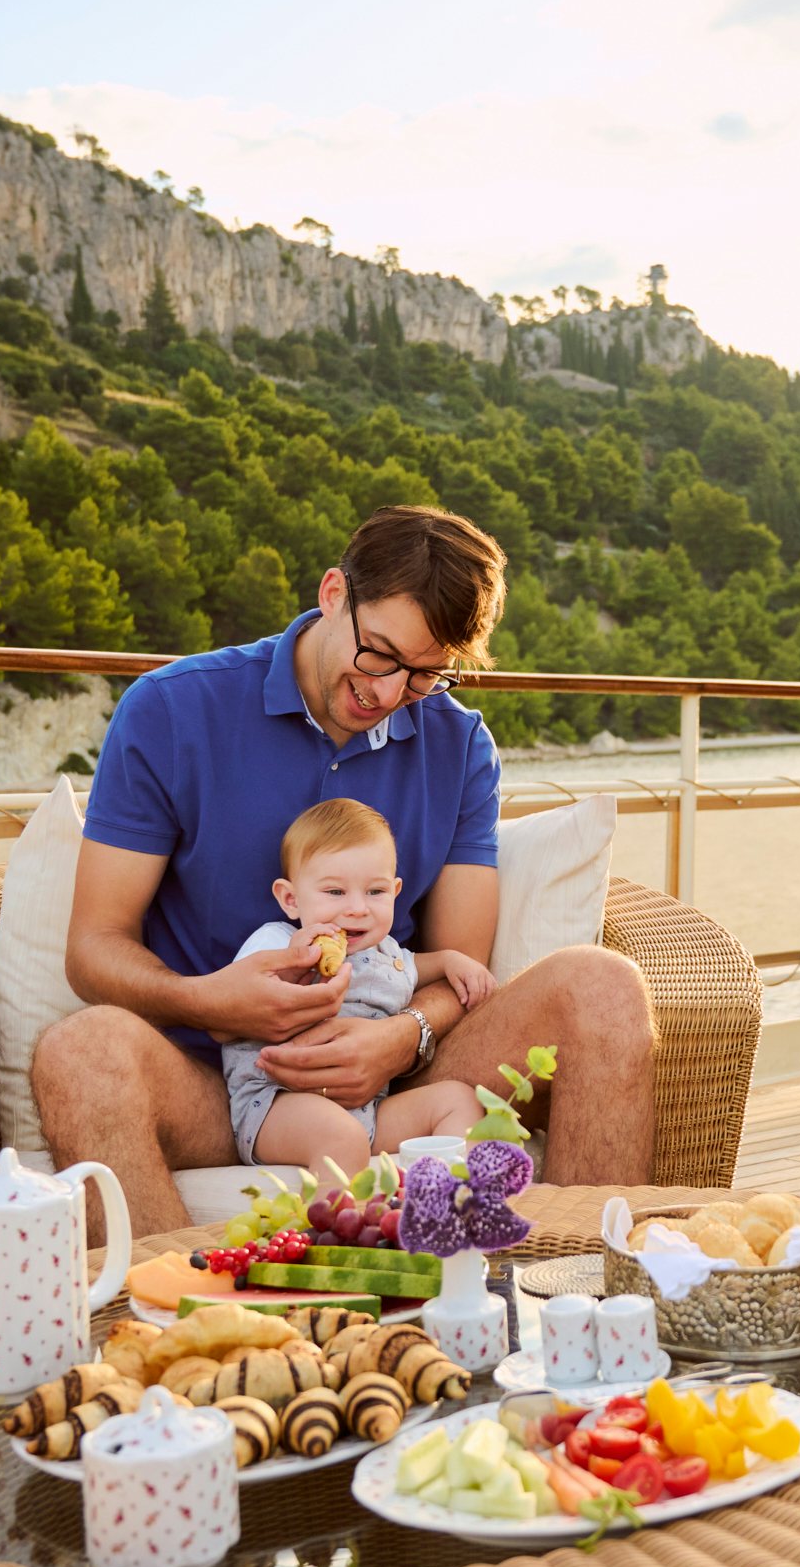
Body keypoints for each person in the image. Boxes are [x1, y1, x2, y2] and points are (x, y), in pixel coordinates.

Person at [33, 505, 655, 1238]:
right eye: (380, 654)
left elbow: (462, 970)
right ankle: (176, 1305)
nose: (388, 694)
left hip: (401, 1076)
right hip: (222, 1080)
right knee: (79, 1051)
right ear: (334, 594)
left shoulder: (459, 744)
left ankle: (587, 1289)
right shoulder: (170, 710)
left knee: (605, 988)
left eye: (426, 675)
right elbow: (94, 946)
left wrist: (403, 1037)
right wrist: (208, 1002)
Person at [220, 798, 491, 1180]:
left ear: (395, 891)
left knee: (458, 1100)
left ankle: (443, 1202)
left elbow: (416, 967)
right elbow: (230, 1012)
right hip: (277, 1105)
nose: (358, 908)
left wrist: (450, 960)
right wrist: (295, 966)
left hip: (367, 1109)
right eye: (335, 892)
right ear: (291, 899)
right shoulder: (275, 943)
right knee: (342, 1141)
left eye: (375, 892)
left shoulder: (388, 954)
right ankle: (329, 1220)